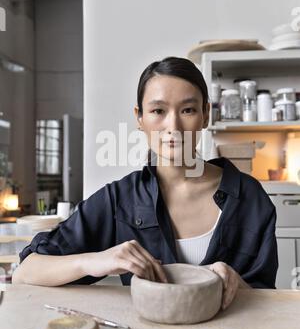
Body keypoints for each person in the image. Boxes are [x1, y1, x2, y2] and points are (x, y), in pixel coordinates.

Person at [13, 57, 278, 310]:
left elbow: (268, 300)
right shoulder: (120, 199)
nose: (173, 125)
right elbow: (26, 271)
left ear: (206, 114)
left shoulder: (249, 197)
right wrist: (98, 260)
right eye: (158, 111)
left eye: (187, 110)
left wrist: (237, 284)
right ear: (140, 118)